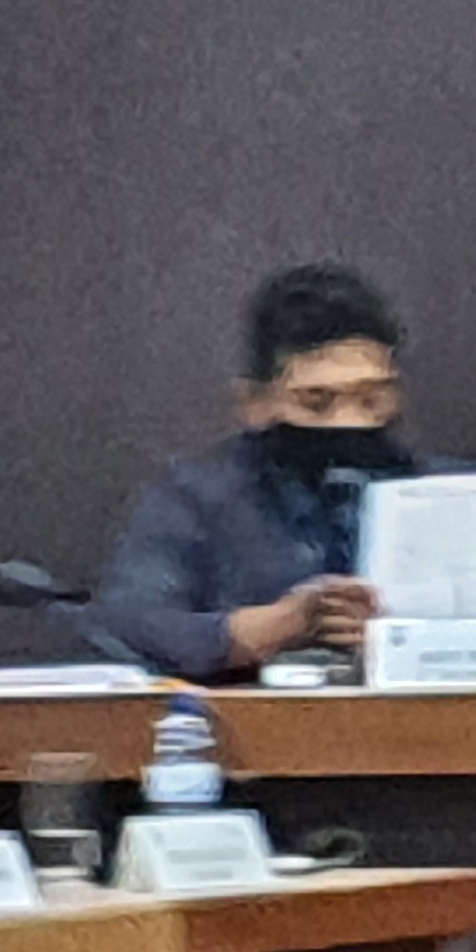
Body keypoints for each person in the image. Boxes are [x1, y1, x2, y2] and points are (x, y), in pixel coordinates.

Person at [91, 262, 446, 680]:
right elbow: (124, 625)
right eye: (317, 402)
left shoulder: (447, 492)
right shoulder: (197, 495)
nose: (350, 420)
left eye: (373, 400)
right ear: (254, 402)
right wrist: (277, 626)